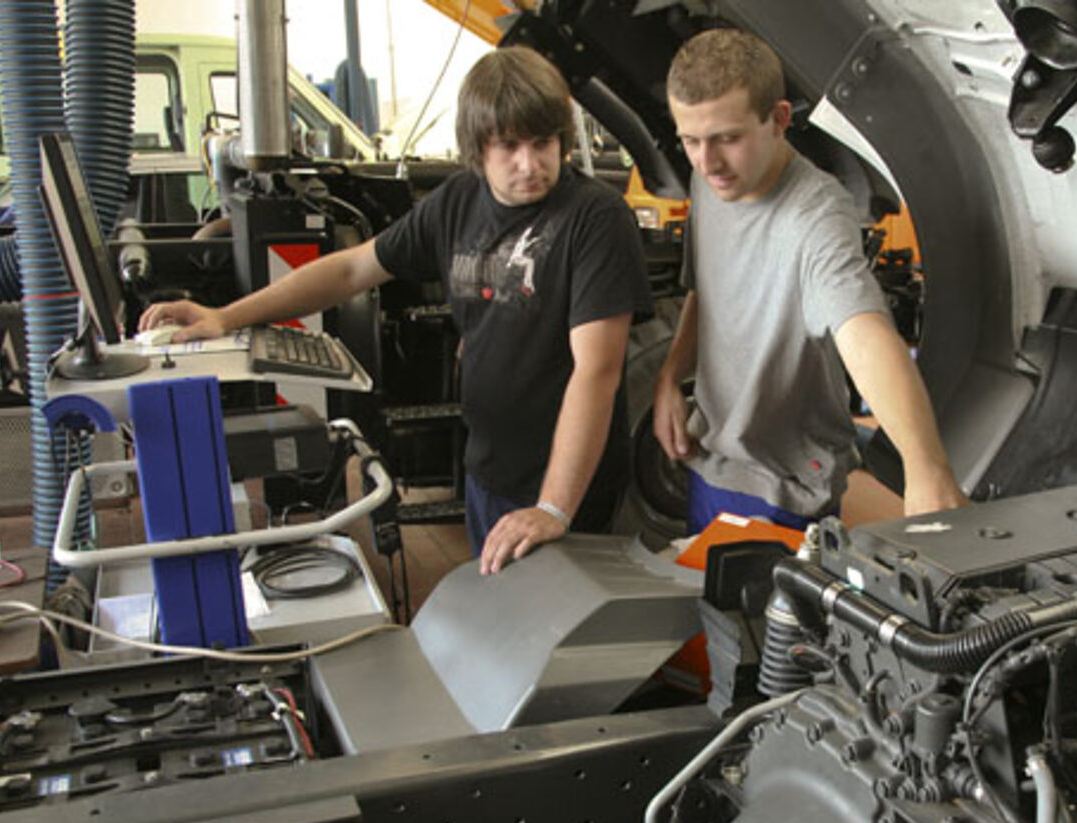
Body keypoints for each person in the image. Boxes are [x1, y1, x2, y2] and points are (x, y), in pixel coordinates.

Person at [140, 47, 653, 575]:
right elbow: (350, 270)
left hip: (568, 488)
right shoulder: (458, 202)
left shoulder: (595, 219)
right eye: (510, 147)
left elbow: (598, 370)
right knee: (504, 631)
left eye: (543, 143)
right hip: (490, 474)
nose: (530, 164)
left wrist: (552, 508)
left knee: (563, 645)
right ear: (478, 147)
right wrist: (226, 317)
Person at [653, 28, 966, 534]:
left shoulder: (817, 214)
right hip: (712, 463)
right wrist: (670, 377)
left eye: (728, 139)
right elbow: (704, 290)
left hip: (787, 487)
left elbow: (863, 332)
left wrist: (925, 466)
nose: (708, 162)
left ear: (778, 120)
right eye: (691, 140)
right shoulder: (710, 181)